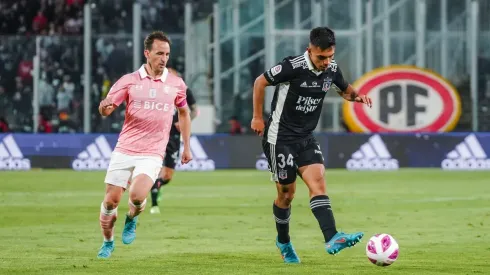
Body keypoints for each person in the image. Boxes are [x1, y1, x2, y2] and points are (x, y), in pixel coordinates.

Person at [250, 27, 373, 263]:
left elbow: (345, 90)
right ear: (310, 51)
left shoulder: (332, 69)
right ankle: (284, 242)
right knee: (286, 194)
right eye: (321, 57)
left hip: (306, 138)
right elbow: (259, 82)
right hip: (280, 138)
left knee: (318, 182)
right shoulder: (292, 67)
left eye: (330, 57)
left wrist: (357, 96)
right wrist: (257, 117)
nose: (326, 62)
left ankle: (332, 237)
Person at [96, 31, 193, 259]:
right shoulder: (129, 81)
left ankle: (132, 218)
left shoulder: (176, 84)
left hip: (152, 152)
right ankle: (108, 241)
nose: (164, 58)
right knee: (110, 202)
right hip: (125, 148)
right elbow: (107, 110)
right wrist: (104, 106)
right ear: (147, 53)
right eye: (160, 53)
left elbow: (184, 113)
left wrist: (186, 146)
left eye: (167, 54)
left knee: (138, 196)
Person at [149, 67, 199, 214]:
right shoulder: (155, 90)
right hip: (157, 134)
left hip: (174, 137)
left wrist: (184, 122)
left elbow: (195, 110)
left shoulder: (184, 90)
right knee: (154, 169)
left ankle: (157, 186)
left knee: (168, 176)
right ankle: (154, 204)